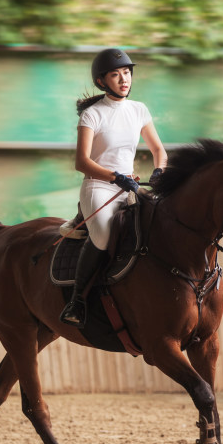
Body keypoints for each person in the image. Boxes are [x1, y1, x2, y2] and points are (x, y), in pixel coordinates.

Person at [59, 48, 167, 328]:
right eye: (116, 74)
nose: (124, 79)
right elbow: (81, 162)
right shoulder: (92, 115)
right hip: (98, 187)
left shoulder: (139, 109)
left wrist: (158, 171)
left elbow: (158, 150)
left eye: (127, 73)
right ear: (101, 81)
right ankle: (76, 301)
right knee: (105, 236)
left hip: (129, 185)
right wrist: (116, 177)